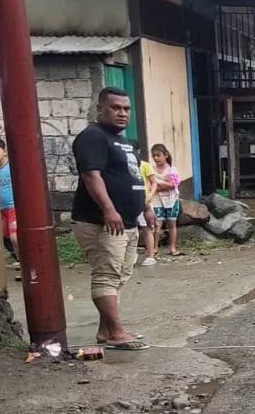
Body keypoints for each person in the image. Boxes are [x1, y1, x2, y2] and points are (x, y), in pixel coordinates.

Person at [71, 87, 148, 351]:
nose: (122, 113)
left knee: (120, 274)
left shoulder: (123, 140)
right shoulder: (92, 137)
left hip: (127, 221)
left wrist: (144, 207)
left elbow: (132, 177)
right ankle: (116, 333)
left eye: (126, 109)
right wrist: (108, 209)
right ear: (100, 109)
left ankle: (105, 331)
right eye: (116, 108)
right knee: (106, 275)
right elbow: (92, 176)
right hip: (100, 222)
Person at [147, 144, 182, 259]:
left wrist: (157, 183)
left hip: (171, 200)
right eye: (154, 156)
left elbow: (172, 185)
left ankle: (172, 247)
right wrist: (163, 184)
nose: (156, 158)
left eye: (158, 155)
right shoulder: (151, 170)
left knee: (172, 223)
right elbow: (150, 185)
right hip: (157, 200)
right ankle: (155, 247)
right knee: (157, 224)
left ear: (165, 155)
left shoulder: (172, 169)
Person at [0, 136, 17, 262]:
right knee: (5, 237)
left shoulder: (10, 168)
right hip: (0, 209)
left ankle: (24, 263)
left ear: (4, 151)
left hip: (12, 207)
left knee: (14, 238)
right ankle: (19, 260)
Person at [137, 150, 161, 265]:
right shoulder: (122, 165)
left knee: (147, 228)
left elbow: (154, 182)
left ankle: (151, 255)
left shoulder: (145, 165)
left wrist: (150, 196)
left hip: (144, 201)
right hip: (128, 201)